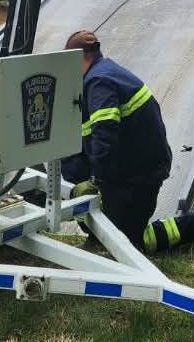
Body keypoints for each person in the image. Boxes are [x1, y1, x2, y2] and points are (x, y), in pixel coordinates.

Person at [60, 30, 172, 249]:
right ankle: (100, 234)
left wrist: (96, 180)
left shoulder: (98, 81)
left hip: (139, 175)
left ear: (79, 57)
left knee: (126, 243)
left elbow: (104, 133)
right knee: (114, 237)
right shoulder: (105, 70)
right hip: (140, 165)